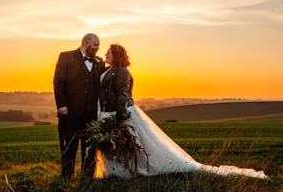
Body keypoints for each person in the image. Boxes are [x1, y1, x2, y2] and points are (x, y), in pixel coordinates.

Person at [94, 44, 268, 179]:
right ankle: (116, 173)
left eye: (108, 53)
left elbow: (123, 93)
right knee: (116, 145)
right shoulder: (109, 70)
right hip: (106, 113)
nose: (105, 55)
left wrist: (120, 115)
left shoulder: (122, 71)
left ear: (116, 56)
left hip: (120, 113)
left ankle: (131, 172)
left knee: (130, 144)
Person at [53, 33, 105, 179]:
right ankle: (66, 176)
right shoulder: (66, 57)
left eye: (98, 45)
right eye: (96, 44)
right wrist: (61, 105)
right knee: (68, 147)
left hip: (91, 115)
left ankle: (87, 178)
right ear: (86, 43)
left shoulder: (99, 62)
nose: (98, 48)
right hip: (69, 113)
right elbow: (58, 82)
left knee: (89, 149)